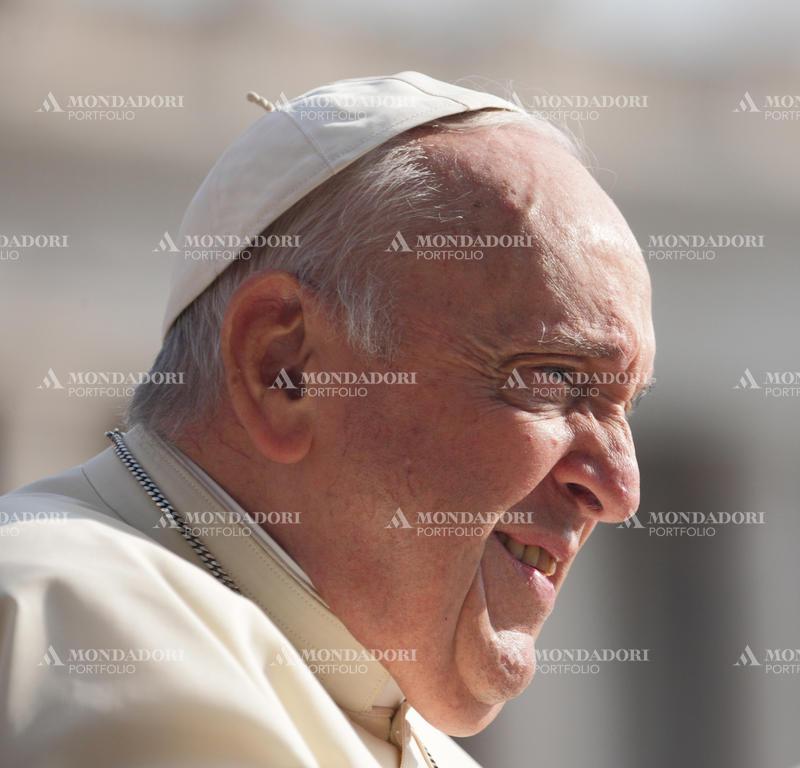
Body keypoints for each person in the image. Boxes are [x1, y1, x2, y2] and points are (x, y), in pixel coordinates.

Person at [0, 71, 655, 767]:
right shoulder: (86, 631)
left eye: (626, 404)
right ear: (284, 370)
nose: (621, 489)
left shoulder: (400, 726)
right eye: (552, 378)